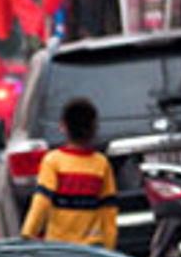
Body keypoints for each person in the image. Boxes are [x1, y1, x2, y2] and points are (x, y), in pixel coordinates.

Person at [19, 97, 117, 248]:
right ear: (94, 127)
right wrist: (110, 248)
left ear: (63, 126)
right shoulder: (101, 164)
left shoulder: (53, 161)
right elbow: (108, 211)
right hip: (92, 247)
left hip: (59, 246)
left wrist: (28, 234)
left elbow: (42, 202)